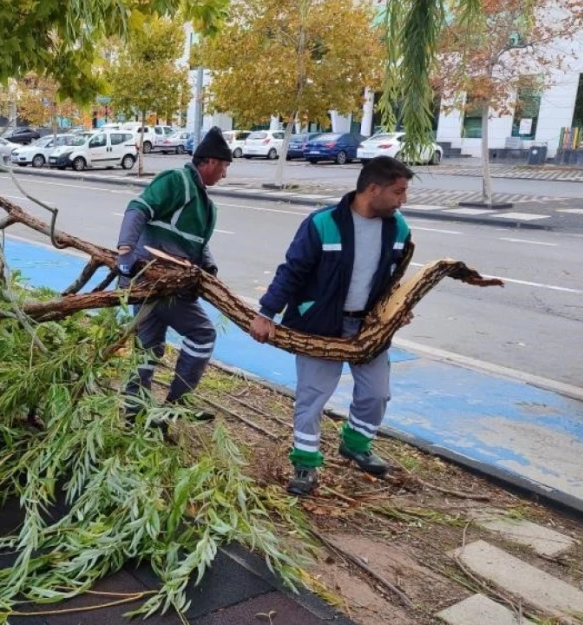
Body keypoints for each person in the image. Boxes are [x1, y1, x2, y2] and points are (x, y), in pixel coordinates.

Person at [250, 156, 414, 496]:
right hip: (320, 324)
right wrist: (266, 313)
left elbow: (396, 277)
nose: (403, 200)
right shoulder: (322, 224)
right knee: (312, 398)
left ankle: (356, 442)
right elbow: (292, 271)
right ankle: (305, 466)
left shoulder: (398, 228)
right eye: (398, 192)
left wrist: (399, 309)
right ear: (373, 189)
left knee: (377, 393)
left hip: (369, 327)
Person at [116, 126, 232, 430]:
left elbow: (197, 244)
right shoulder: (177, 181)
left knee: (148, 347)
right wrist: (126, 252)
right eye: (223, 167)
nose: (224, 175)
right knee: (203, 334)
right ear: (209, 162)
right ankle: (174, 407)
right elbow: (138, 208)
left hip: (167, 285)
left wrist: (210, 269)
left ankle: (134, 410)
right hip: (156, 282)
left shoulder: (205, 203)